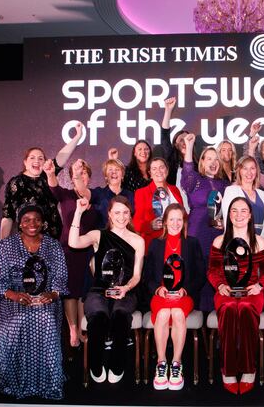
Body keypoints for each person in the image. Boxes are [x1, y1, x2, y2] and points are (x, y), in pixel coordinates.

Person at [0, 204, 68, 400]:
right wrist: (13, 295)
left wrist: (53, 294)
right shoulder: (6, 246)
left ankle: (48, 381)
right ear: (20, 224)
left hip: (45, 298)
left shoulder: (53, 246)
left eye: (37, 220)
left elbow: (61, 277)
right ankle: (15, 379)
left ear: (43, 223)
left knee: (45, 319)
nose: (32, 223)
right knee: (18, 321)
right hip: (11, 299)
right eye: (27, 220)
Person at [68, 195, 143, 384]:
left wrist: (126, 288)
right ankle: (95, 364)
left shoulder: (137, 240)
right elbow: (73, 243)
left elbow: (136, 275)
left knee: (120, 316)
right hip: (99, 290)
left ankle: (117, 364)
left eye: (125, 212)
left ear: (130, 214)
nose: (121, 217)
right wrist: (78, 212)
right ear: (109, 214)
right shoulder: (98, 235)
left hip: (126, 291)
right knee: (99, 317)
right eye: (117, 212)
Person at [208, 197, 264, 394]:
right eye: (234, 211)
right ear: (229, 215)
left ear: (250, 215)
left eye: (244, 211)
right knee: (229, 308)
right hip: (226, 290)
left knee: (244, 308)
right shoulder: (219, 241)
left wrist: (259, 286)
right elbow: (212, 271)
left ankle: (248, 368)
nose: (239, 215)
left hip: (252, 291)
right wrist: (219, 285)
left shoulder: (259, 242)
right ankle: (228, 370)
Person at [144, 204, 205, 391]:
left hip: (183, 295)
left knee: (177, 313)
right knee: (163, 314)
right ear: (164, 222)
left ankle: (177, 364)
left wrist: (185, 290)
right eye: (171, 219)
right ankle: (161, 363)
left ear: (184, 222)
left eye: (180, 219)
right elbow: (147, 276)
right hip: (161, 294)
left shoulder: (192, 243)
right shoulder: (155, 244)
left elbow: (201, 275)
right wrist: (157, 289)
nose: (175, 223)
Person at [47, 158, 98, 349]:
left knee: (83, 292)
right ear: (71, 177)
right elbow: (53, 186)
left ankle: (83, 328)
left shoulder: (92, 195)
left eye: (85, 173)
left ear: (89, 178)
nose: (81, 176)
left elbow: (83, 191)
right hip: (68, 249)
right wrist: (50, 173)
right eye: (78, 173)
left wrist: (77, 174)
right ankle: (73, 330)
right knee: (70, 292)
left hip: (88, 249)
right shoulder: (66, 194)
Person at [0, 125, 83, 239]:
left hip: (53, 239)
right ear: (25, 162)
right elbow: (8, 215)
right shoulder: (16, 183)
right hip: (29, 240)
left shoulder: (48, 176)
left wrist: (77, 136)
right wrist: (2, 244)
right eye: (32, 158)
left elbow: (62, 156)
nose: (37, 161)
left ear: (44, 163)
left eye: (40, 158)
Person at [179, 133, 229, 311]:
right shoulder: (195, 180)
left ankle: (214, 315)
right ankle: (197, 315)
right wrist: (189, 146)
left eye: (216, 159)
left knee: (216, 272)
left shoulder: (224, 184)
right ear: (201, 162)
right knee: (198, 271)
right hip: (197, 234)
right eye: (209, 159)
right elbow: (187, 171)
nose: (213, 162)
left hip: (218, 235)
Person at [221, 155, 264, 245]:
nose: (249, 172)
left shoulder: (261, 194)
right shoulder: (231, 191)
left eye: (252, 168)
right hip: (239, 242)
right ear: (239, 171)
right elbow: (227, 219)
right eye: (245, 168)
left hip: (261, 242)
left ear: (257, 171)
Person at [132, 157, 184, 247]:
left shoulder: (175, 189)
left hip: (177, 240)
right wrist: (150, 225)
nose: (158, 171)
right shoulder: (142, 193)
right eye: (154, 169)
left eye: (161, 167)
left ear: (167, 170)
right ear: (150, 174)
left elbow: (182, 214)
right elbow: (136, 222)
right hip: (155, 243)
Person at [90, 154, 135, 228]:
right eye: (110, 169)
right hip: (104, 234)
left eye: (117, 169)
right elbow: (83, 193)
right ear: (106, 176)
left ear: (122, 175)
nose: (114, 172)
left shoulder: (130, 195)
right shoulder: (98, 193)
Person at [160, 97, 190, 186]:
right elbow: (164, 135)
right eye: (181, 140)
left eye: (187, 139)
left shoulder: (198, 163)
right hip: (173, 194)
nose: (184, 142)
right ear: (175, 145)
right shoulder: (171, 158)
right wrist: (168, 110)